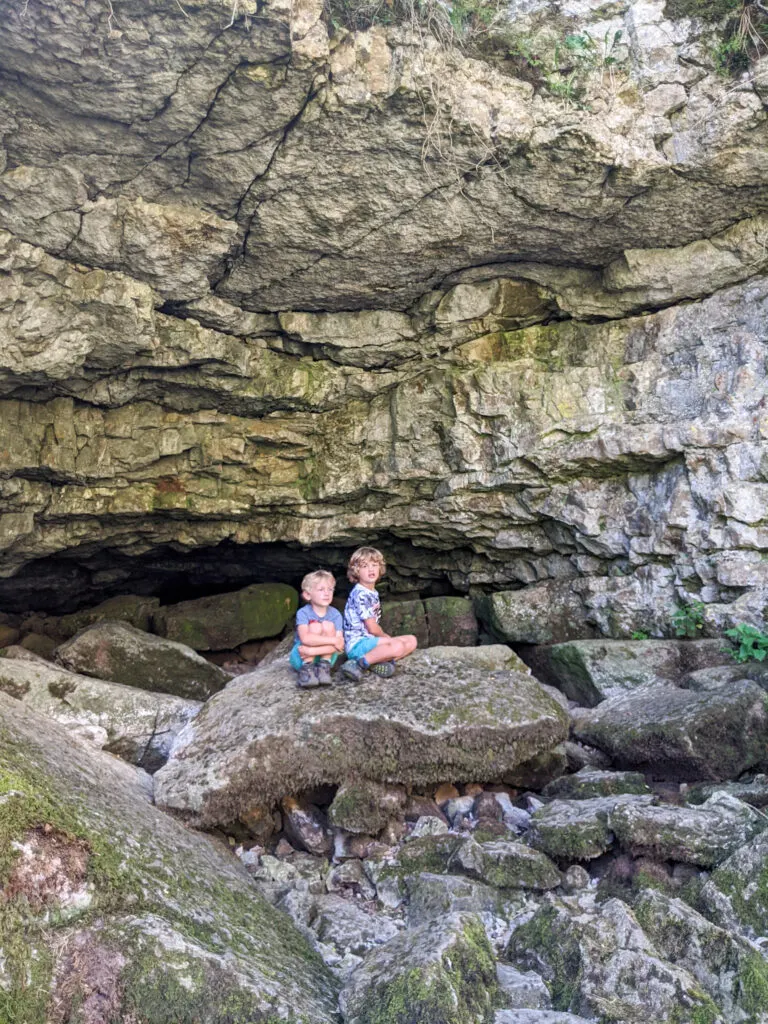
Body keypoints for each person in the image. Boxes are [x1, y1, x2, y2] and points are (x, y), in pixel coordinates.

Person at [342, 546, 418, 683]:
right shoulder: (360, 594)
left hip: (370, 641)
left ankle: (375, 661)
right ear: (356, 571)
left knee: (412, 640)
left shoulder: (372, 592)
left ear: (380, 568)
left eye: (374, 565)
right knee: (397, 645)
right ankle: (359, 664)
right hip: (358, 644)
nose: (371, 569)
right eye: (365, 566)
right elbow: (372, 627)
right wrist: (385, 637)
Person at [290, 570, 344, 689]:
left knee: (328, 625)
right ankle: (307, 670)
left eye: (330, 589)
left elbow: (340, 645)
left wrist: (311, 652)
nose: (327, 593)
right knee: (315, 626)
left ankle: (323, 669)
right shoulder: (303, 613)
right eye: (321, 590)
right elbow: (305, 639)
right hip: (302, 656)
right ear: (307, 595)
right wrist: (333, 641)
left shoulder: (335, 615)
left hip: (326, 657)